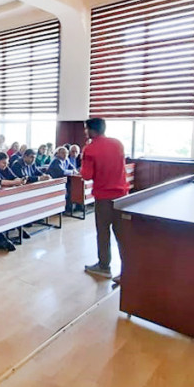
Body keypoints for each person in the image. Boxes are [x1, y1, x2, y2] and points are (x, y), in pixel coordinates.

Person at [81, 118, 129, 281]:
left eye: (86, 129)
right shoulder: (118, 143)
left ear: (91, 131)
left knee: (103, 233)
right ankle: (127, 271)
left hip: (104, 198)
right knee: (122, 234)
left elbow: (86, 175)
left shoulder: (90, 149)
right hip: (122, 195)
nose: (85, 132)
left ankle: (104, 266)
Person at [48, 146, 79, 213]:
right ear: (58, 153)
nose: (65, 155)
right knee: (68, 190)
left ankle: (70, 207)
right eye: (63, 153)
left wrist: (74, 171)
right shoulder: (56, 161)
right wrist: (72, 172)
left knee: (73, 188)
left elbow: (72, 168)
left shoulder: (66, 160)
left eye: (66, 153)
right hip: (54, 183)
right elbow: (62, 172)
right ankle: (63, 208)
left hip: (64, 181)